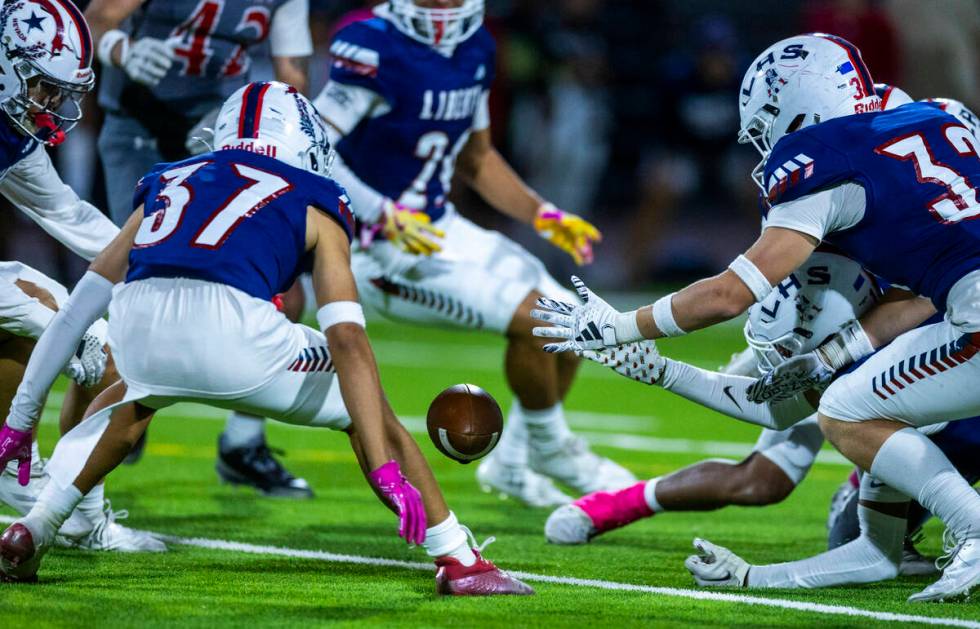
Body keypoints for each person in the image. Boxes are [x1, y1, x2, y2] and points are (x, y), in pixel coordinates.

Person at [0, 82, 533, 595]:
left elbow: (77, 310)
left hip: (137, 323)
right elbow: (346, 339)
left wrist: (21, 422)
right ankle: (458, 557)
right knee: (364, 400)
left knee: (131, 397)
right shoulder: (317, 198)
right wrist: (385, 463)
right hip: (235, 335)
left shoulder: (168, 179)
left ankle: (37, 525)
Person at [532, 34, 980, 602]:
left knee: (852, 413)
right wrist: (753, 579)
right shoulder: (935, 115)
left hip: (956, 322)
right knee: (857, 475)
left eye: (768, 125)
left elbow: (727, 297)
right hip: (940, 314)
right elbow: (789, 398)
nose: (767, 144)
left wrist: (623, 325)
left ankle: (970, 523)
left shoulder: (822, 167)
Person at [312, 0, 632, 507]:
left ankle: (513, 463)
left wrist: (542, 214)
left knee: (576, 324)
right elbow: (315, 147)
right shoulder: (372, 45)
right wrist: (377, 210)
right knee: (538, 320)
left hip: (443, 227)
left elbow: (476, 157)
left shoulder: (477, 45)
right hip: (377, 250)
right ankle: (553, 450)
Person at [85, 0, 316, 497]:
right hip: (138, 123)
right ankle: (109, 411)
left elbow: (292, 75)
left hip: (220, 131)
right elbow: (96, 17)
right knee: (121, 276)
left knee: (277, 282)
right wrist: (121, 48)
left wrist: (284, 142)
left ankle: (243, 442)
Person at [0, 0, 162, 552]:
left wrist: (162, 255)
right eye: (42, 86)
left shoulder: (10, 131)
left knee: (72, 325)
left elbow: (67, 214)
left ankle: (56, 505)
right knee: (84, 334)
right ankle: (81, 519)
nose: (50, 104)